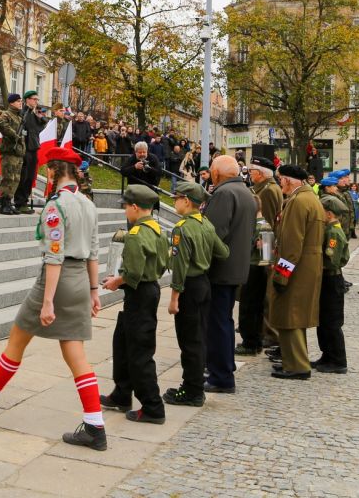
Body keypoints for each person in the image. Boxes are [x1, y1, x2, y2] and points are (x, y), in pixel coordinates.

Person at [0, 146, 108, 450]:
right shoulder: (88, 204)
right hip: (80, 281)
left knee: (18, 338)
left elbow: (54, 257)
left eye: (47, 170)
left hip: (57, 280)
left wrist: (48, 300)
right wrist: (94, 291)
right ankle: (95, 425)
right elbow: (93, 252)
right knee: (75, 353)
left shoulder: (56, 206)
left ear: (52, 171)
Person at [101, 185, 168, 423]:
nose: (124, 211)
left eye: (126, 207)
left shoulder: (137, 234)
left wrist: (115, 282)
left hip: (139, 292)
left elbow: (133, 274)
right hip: (148, 291)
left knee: (140, 351)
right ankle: (122, 392)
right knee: (122, 342)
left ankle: (152, 406)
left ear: (135, 207)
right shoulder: (158, 229)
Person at [162, 180, 228, 407]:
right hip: (204, 284)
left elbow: (179, 268)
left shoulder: (182, 228)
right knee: (199, 338)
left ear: (187, 201)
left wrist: (173, 299)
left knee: (188, 341)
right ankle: (195, 385)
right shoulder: (206, 225)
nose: (175, 202)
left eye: (177, 198)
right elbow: (224, 252)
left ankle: (191, 391)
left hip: (189, 287)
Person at [202, 154, 256, 394]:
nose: (212, 173)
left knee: (218, 323)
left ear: (218, 173)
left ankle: (221, 376)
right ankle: (224, 367)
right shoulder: (245, 192)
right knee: (224, 320)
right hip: (236, 267)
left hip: (221, 269)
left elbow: (212, 234)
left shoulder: (224, 194)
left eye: (213, 169)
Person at [268, 164, 323, 380]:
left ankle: (297, 365)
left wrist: (281, 275)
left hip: (297, 268)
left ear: (290, 180)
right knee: (295, 315)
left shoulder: (298, 202)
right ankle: (294, 362)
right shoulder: (309, 198)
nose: (280, 183)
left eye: (281, 179)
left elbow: (291, 244)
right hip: (307, 265)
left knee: (290, 315)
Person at [238, 143, 281, 356]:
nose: (250, 174)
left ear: (262, 174)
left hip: (263, 249)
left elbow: (270, 221)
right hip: (260, 248)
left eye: (253, 171)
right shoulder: (261, 188)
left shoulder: (269, 190)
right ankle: (259, 332)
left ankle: (267, 334)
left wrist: (265, 250)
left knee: (260, 296)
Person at [314, 189, 351, 373]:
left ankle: (338, 360)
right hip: (326, 280)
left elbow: (332, 259)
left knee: (332, 322)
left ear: (328, 214)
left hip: (332, 280)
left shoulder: (334, 233)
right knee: (323, 321)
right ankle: (327, 355)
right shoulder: (328, 229)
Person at [0, 93, 25, 215]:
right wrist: (15, 135)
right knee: (8, 178)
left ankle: (9, 201)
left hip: (18, 152)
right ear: (12, 102)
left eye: (20, 101)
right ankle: (3, 203)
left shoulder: (19, 117)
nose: (20, 103)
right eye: (18, 101)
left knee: (16, 179)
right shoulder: (6, 114)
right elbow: (3, 127)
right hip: (9, 151)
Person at [14, 91, 41, 214]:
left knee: (29, 177)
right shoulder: (22, 113)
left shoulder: (32, 114)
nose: (36, 101)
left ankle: (24, 201)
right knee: (23, 177)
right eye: (34, 99)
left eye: (37, 99)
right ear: (27, 100)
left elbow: (38, 129)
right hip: (25, 149)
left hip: (33, 148)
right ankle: (20, 202)